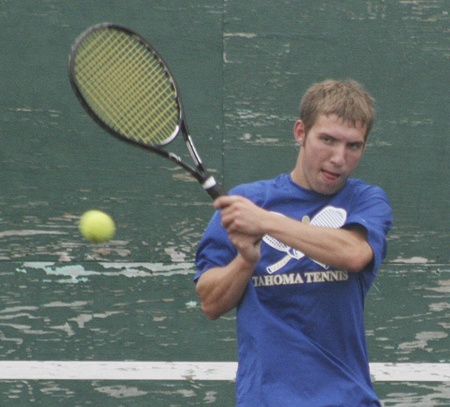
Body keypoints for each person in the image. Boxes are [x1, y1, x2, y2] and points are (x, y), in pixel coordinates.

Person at [194, 79, 393, 406]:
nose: (339, 158)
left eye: (353, 146)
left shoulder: (366, 201)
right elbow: (211, 303)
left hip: (348, 398)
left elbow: (354, 254)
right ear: (300, 132)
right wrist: (245, 260)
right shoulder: (247, 201)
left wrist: (267, 221)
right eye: (327, 140)